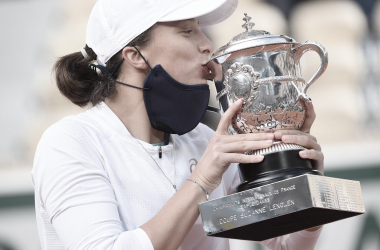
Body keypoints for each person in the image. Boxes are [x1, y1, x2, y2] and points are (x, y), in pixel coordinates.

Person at [32, 0, 324, 249]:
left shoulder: (203, 140)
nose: (207, 45)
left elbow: (283, 243)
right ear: (134, 55)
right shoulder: (70, 142)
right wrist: (201, 180)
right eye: (187, 31)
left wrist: (305, 183)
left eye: (200, 28)